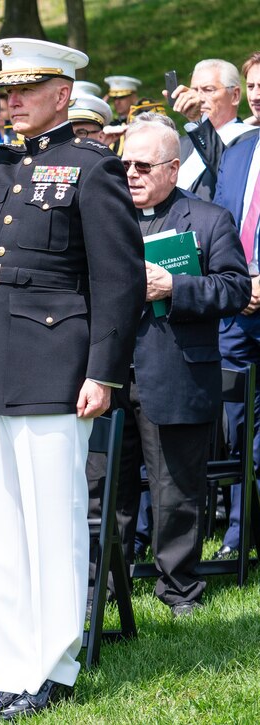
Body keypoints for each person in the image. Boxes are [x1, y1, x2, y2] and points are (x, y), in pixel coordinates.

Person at [0, 38, 145, 718]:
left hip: (57, 365)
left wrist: (104, 371)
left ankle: (54, 665)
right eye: (3, 92)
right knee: (3, 524)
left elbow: (118, 281)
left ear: (62, 94)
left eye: (22, 90)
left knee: (53, 520)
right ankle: (9, 670)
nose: (9, 101)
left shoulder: (91, 167)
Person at [112, 117, 250, 616]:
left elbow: (236, 289)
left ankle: (178, 587)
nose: (130, 173)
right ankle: (110, 586)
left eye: (142, 165)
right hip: (109, 372)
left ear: (172, 169)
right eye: (123, 163)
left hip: (176, 372)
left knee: (175, 490)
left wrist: (176, 288)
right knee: (107, 486)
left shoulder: (209, 219)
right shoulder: (107, 217)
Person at [211, 50, 260, 560]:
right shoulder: (241, 151)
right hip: (237, 314)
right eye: (251, 85)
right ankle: (241, 533)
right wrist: (238, 283)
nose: (258, 93)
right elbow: (224, 225)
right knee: (238, 430)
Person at [169, 59, 257, 200]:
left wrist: (197, 120)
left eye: (208, 90)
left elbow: (229, 177)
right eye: (194, 90)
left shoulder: (251, 140)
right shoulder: (182, 144)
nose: (198, 98)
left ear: (235, 95)